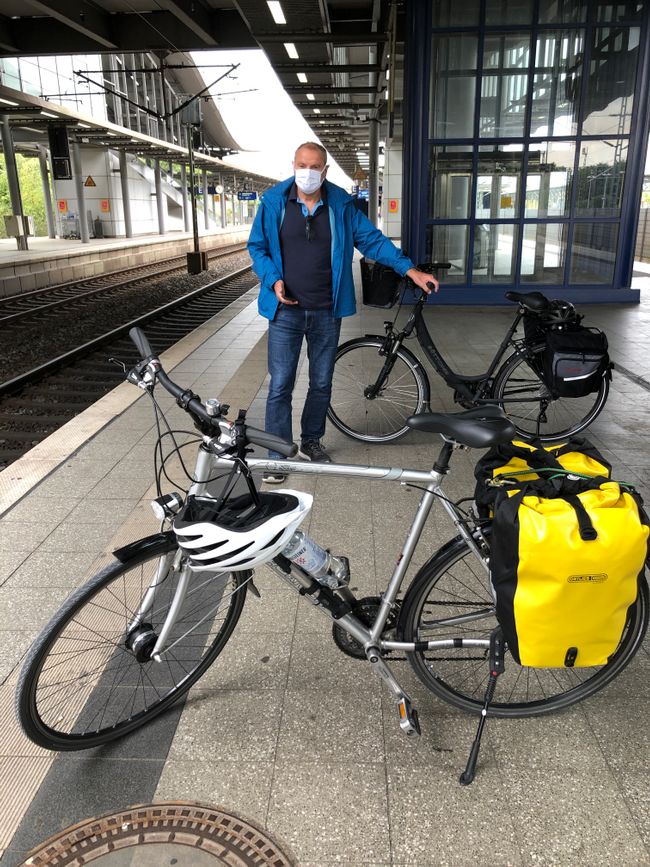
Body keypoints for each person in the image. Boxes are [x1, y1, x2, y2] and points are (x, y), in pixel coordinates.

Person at [248, 141, 438, 484]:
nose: (307, 172)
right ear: (293, 164)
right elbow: (257, 248)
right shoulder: (274, 201)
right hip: (285, 311)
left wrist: (411, 270)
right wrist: (273, 279)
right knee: (280, 384)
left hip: (326, 310)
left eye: (314, 166)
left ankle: (311, 440)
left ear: (325, 170)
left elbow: (373, 242)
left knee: (321, 382)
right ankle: (277, 453)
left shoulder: (341, 203)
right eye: (301, 164)